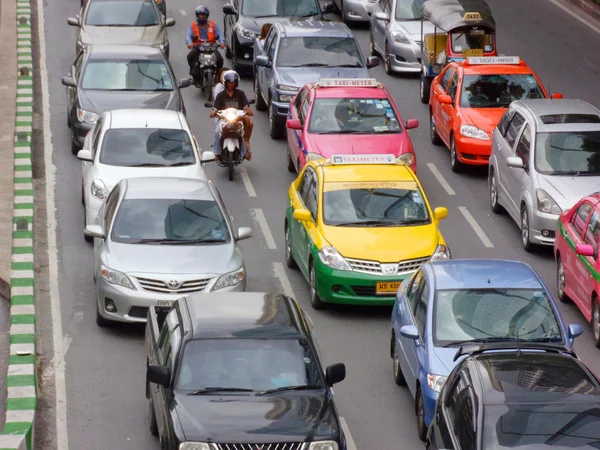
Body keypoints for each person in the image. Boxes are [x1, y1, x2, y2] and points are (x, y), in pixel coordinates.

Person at [210, 71, 254, 160]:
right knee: (217, 131)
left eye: (233, 83)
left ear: (236, 83)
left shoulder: (240, 94)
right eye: (229, 82)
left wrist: (248, 111)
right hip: (223, 120)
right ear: (225, 83)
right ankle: (217, 153)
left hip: (237, 120)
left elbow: (246, 106)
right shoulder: (220, 95)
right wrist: (213, 112)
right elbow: (215, 108)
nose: (231, 84)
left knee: (240, 133)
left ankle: (243, 153)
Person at [186, 6, 226, 75]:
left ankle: (217, 76)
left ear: (206, 16)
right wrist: (190, 43)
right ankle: (193, 72)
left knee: (220, 60)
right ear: (197, 15)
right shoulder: (193, 25)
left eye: (203, 15)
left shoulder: (213, 24)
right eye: (200, 15)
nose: (202, 17)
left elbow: (219, 33)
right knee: (190, 56)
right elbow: (188, 35)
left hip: (211, 46)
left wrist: (222, 42)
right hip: (198, 46)